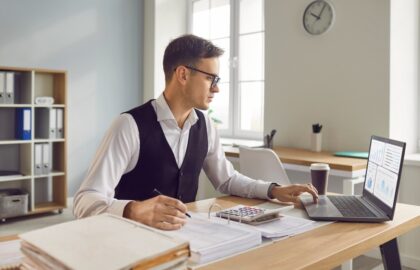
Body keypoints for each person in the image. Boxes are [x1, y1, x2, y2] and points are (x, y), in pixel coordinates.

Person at [73, 34, 318, 230]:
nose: (217, 89)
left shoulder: (205, 125)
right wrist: (133, 209)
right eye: (211, 78)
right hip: (130, 241)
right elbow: (85, 200)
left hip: (185, 239)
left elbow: (227, 179)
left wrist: (273, 190)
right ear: (182, 74)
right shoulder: (129, 125)